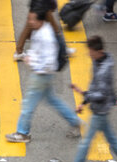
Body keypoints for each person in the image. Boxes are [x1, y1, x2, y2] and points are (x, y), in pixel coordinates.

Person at [57, 36, 117, 162]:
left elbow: (101, 94)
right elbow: (95, 85)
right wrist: (84, 101)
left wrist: (84, 94)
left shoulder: (105, 70)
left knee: (85, 142)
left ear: (99, 51)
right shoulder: (98, 62)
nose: (89, 54)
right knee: (112, 139)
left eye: (91, 51)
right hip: (100, 106)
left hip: (101, 109)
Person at [6, 10, 80, 143]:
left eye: (33, 20)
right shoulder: (40, 30)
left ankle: (22, 133)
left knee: (28, 104)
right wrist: (31, 56)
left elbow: (49, 61)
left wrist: (32, 62)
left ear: (40, 20)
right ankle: (75, 121)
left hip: (41, 75)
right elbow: (38, 52)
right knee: (53, 100)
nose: (30, 22)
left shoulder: (46, 36)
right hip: (43, 74)